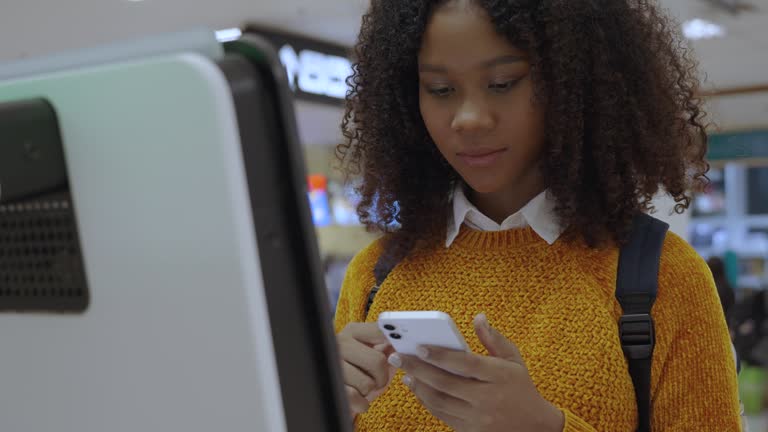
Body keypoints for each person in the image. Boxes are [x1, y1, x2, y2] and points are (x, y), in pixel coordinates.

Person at [333, 0, 742, 430]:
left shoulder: (664, 276)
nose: (469, 118)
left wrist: (544, 426)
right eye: (439, 89)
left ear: (573, 83)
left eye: (502, 83)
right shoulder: (374, 276)